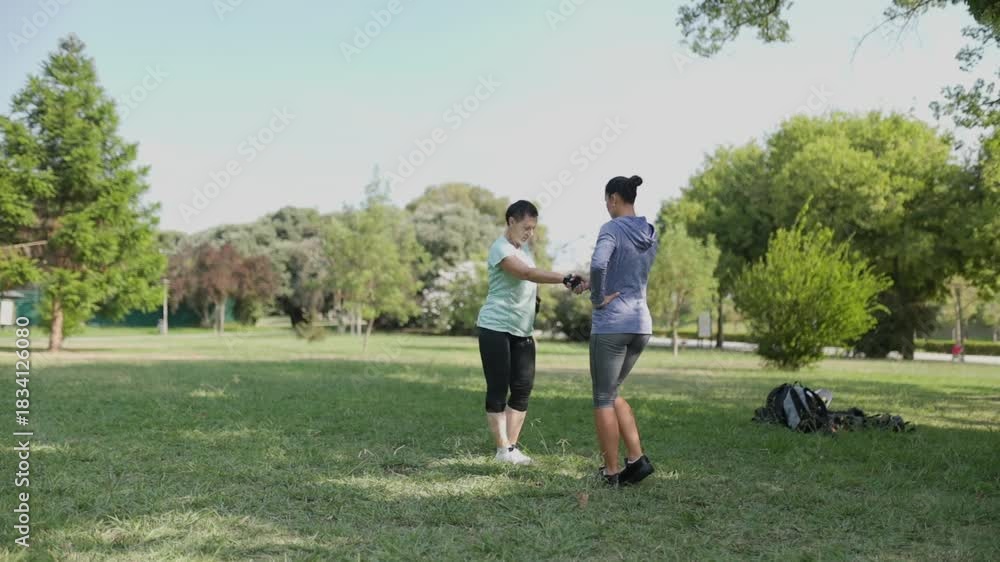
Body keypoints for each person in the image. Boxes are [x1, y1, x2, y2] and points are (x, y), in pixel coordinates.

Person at [476, 200, 582, 465]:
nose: (530, 233)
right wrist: (564, 278)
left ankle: (510, 449)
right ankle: (502, 449)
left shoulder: (523, 250)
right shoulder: (500, 248)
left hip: (522, 331)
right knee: (498, 388)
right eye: (526, 227)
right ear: (511, 221)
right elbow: (525, 273)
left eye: (533, 228)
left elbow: (529, 279)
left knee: (522, 389)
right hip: (495, 327)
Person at [574, 175, 658, 486]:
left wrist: (597, 297)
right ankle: (636, 460)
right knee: (612, 392)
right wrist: (593, 284)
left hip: (612, 324)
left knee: (603, 397)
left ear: (613, 199)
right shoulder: (650, 232)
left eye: (606, 201)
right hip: (640, 324)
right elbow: (625, 273)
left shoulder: (611, 228)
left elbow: (599, 264)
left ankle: (611, 472)